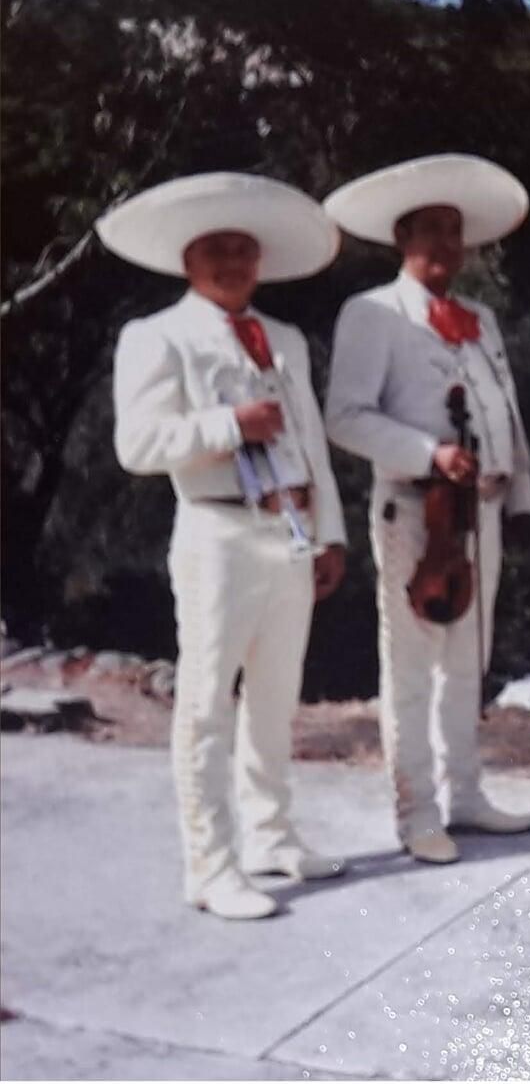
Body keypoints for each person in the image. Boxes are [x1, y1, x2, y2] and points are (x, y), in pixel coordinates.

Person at [106, 172, 348, 919]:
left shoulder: (285, 339)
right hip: (216, 528)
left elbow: (309, 438)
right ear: (189, 262)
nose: (233, 264)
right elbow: (137, 443)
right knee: (207, 701)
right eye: (217, 251)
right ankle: (210, 865)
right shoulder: (157, 335)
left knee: (276, 696)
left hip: (290, 527)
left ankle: (272, 833)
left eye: (244, 251)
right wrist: (226, 426)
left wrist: (330, 531)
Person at [323, 153, 530, 865]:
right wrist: (427, 452)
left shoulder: (478, 319)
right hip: (416, 509)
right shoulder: (374, 312)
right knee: (412, 664)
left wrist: (521, 493)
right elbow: (345, 416)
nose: (444, 244)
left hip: (479, 512)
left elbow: (503, 409)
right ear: (401, 238)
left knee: (468, 661)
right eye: (428, 231)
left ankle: (465, 794)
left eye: (454, 230)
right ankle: (416, 810)